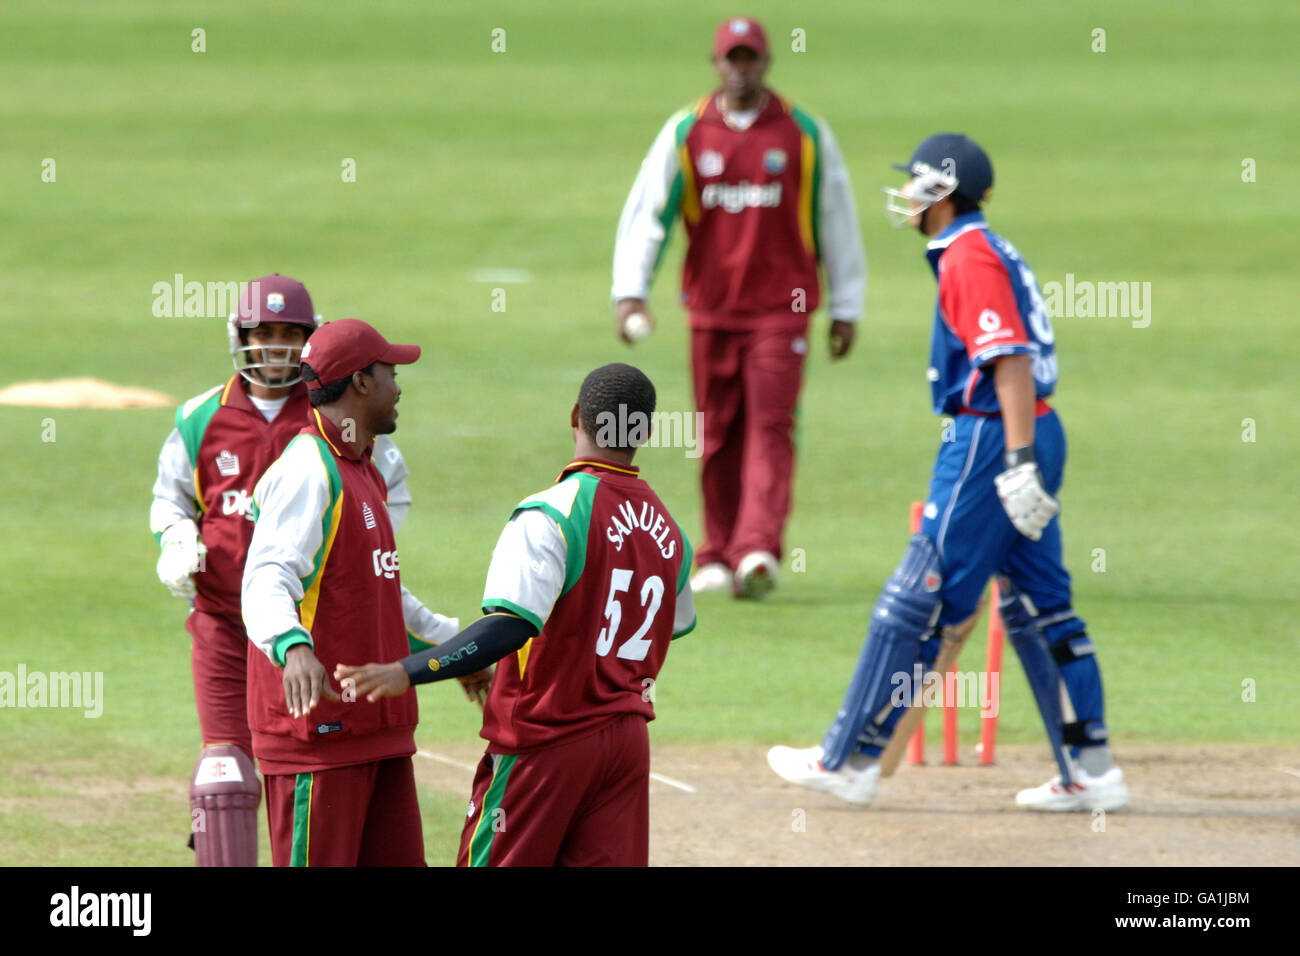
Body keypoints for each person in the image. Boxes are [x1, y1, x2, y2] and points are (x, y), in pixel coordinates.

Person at [767, 133, 1128, 811]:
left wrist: (1016, 462)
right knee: (1040, 605)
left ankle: (849, 759)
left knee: (916, 599)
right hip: (1033, 429)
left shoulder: (967, 255)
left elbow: (1009, 359)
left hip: (994, 438)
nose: (904, 192)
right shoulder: (982, 248)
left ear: (941, 190)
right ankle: (1093, 770)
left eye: (915, 181)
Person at [337, 363, 697, 866]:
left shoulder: (551, 513)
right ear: (647, 431)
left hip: (546, 742)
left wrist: (411, 670)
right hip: (627, 748)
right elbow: (667, 628)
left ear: (575, 415)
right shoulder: (672, 533)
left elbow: (510, 626)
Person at [149, 274, 417, 866]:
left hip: (321, 627)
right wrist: (176, 537)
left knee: (316, 779)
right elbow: (169, 496)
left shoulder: (341, 420)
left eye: (288, 334)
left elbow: (383, 511)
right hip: (224, 622)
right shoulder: (200, 418)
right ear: (239, 338)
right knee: (224, 774)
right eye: (262, 334)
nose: (274, 347)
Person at [611, 15, 866, 599]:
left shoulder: (803, 134)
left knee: (772, 425)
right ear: (717, 63)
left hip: (782, 308)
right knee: (716, 430)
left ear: (765, 63)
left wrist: (846, 305)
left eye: (751, 58)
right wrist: (631, 292)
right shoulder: (688, 132)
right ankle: (717, 553)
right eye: (732, 58)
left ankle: (758, 549)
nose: (741, 69)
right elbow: (650, 213)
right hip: (711, 309)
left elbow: (836, 218)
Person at [239, 318, 482, 866]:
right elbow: (264, 579)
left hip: (376, 731)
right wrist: (292, 645)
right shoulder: (309, 470)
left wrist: (459, 651)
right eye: (391, 372)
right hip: (318, 740)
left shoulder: (364, 471)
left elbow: (382, 596)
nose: (400, 386)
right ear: (361, 383)